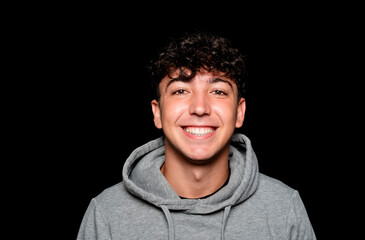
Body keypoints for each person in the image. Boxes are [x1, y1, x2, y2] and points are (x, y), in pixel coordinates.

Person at [77, 31, 316, 240]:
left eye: (218, 91)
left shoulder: (284, 208)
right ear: (157, 113)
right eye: (181, 90)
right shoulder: (106, 213)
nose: (200, 107)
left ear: (239, 113)